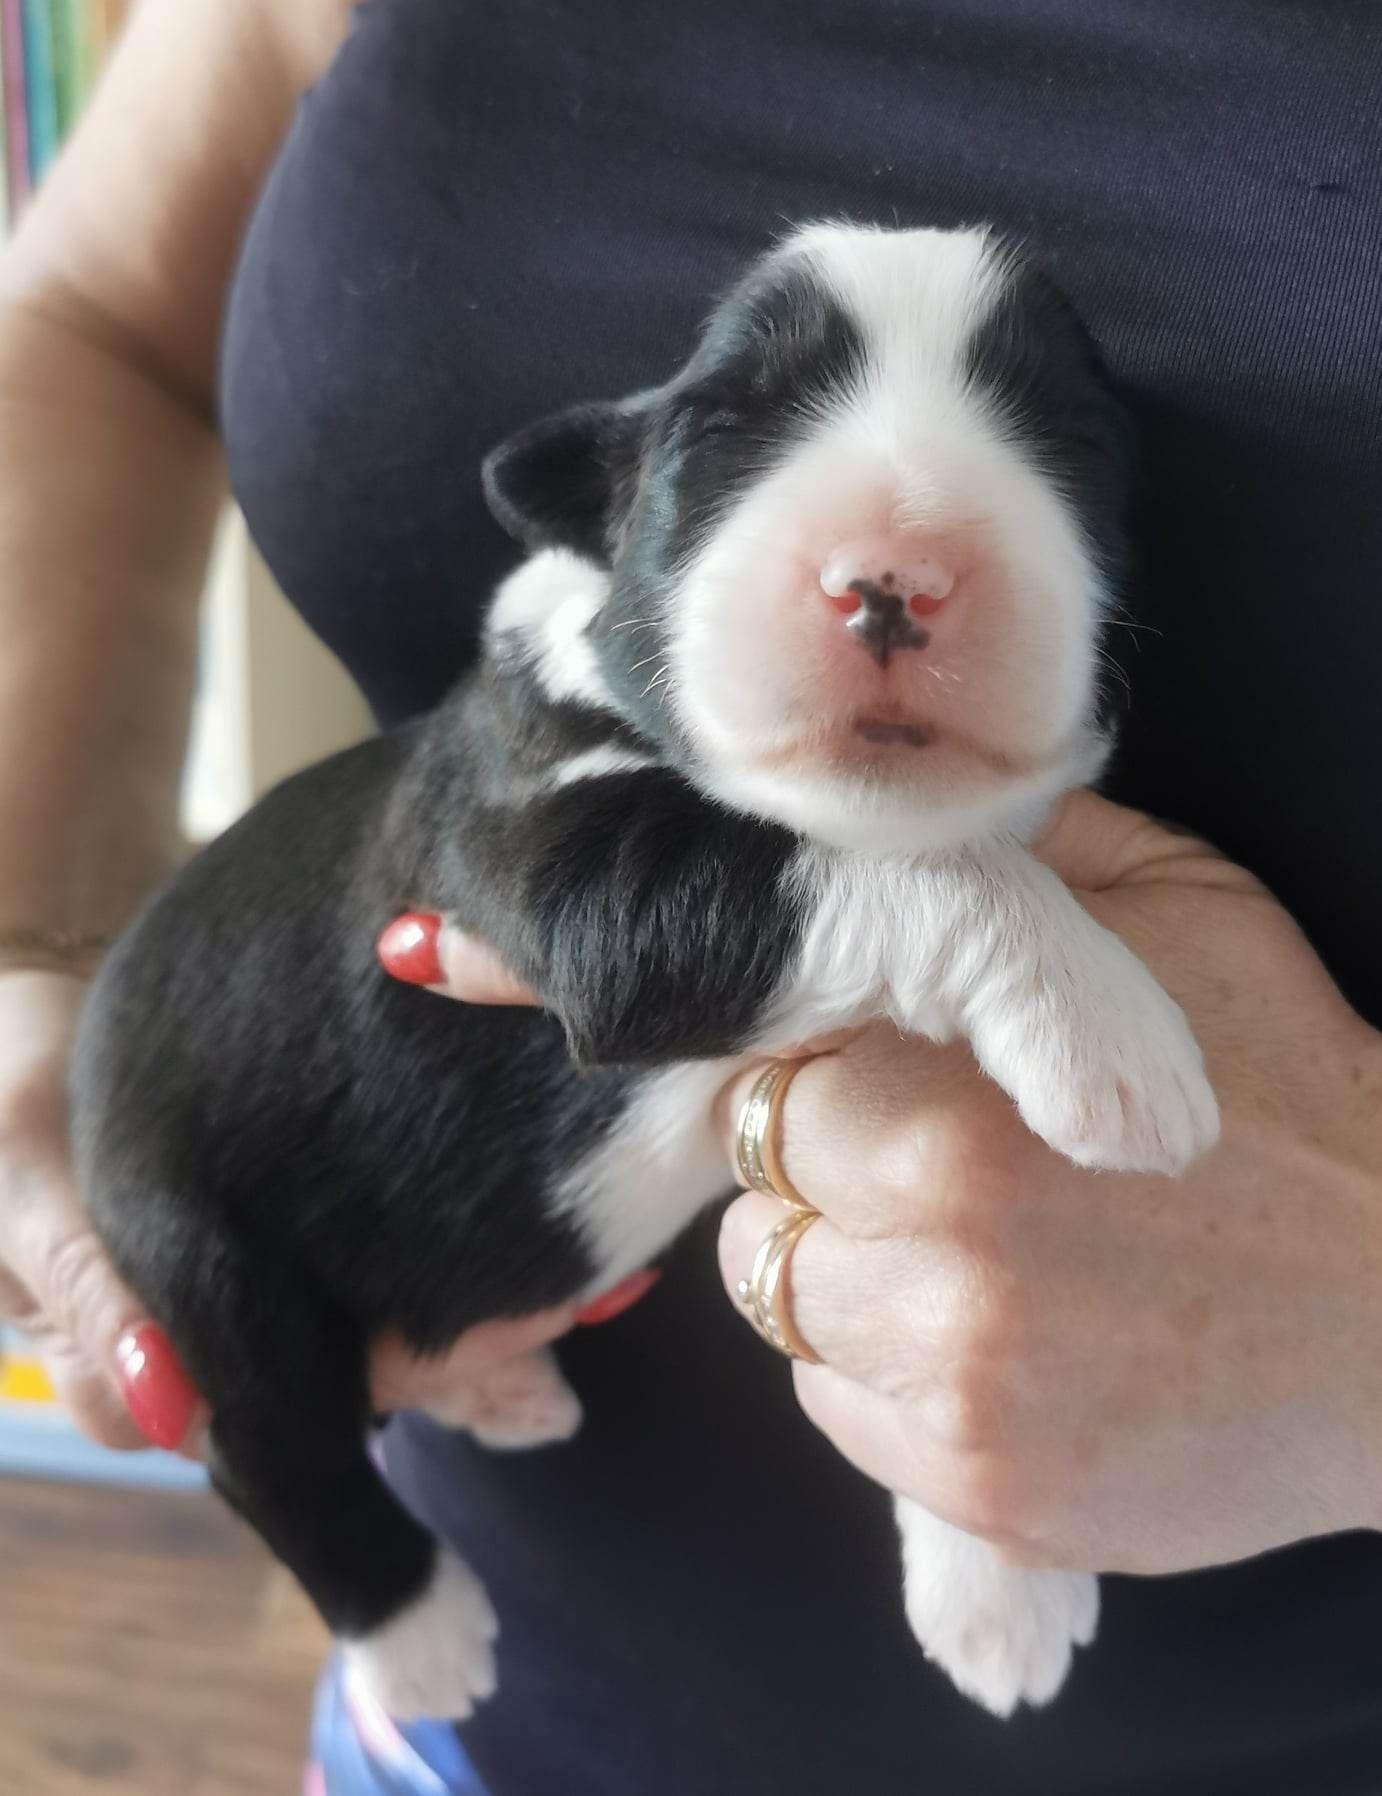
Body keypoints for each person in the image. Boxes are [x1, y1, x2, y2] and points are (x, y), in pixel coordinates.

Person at [0, 0, 1377, 1790]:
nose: (891, 553)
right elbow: (92, 313)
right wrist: (26, 939)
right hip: (476, 1729)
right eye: (743, 431)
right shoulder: (552, 739)